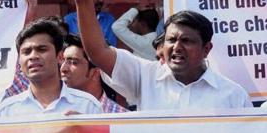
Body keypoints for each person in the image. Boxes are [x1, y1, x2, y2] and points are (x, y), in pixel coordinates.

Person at [74, 0, 252, 110]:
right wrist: (83, 4)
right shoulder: (145, 76)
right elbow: (98, 52)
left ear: (206, 49)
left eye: (187, 41)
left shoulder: (233, 95)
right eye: (171, 40)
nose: (177, 47)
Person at [0, 18, 101, 116]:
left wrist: (85, 130)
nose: (33, 56)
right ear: (19, 61)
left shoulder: (88, 106)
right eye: (26, 52)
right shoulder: (6, 111)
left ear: (60, 57)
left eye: (42, 49)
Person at [60, 34, 127, 113]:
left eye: (74, 62)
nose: (63, 69)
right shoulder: (50, 110)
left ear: (96, 72)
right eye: (62, 61)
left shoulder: (121, 118)